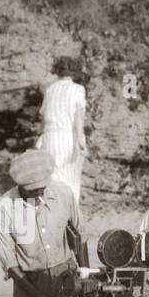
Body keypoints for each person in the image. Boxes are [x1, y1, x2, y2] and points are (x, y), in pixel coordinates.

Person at [0, 149, 83, 297]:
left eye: (43, 187)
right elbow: (10, 264)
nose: (40, 193)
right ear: (20, 185)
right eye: (33, 190)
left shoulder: (63, 193)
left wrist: (84, 273)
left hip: (66, 278)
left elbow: (79, 234)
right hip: (27, 283)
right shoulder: (3, 208)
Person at [35, 55, 87, 203]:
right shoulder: (78, 89)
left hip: (49, 138)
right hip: (68, 137)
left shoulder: (50, 90)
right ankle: (69, 221)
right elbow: (78, 118)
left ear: (57, 72)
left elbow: (43, 118)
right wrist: (81, 142)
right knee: (71, 182)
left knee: (51, 181)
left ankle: (51, 218)